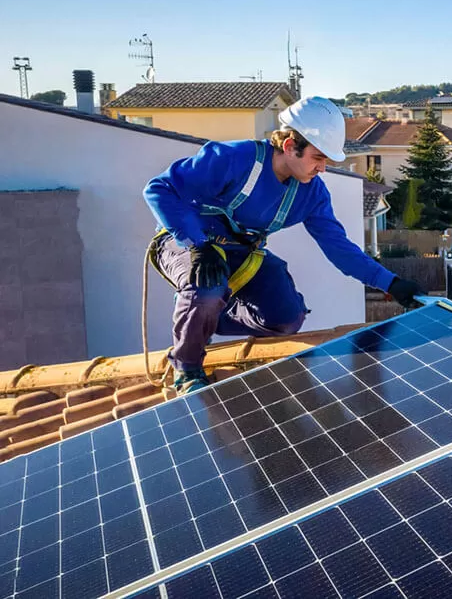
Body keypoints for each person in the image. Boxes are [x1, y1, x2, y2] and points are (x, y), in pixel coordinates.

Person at [144, 95, 423, 394]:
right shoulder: (233, 159)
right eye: (318, 157)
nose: (323, 169)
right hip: (187, 244)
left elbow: (339, 248)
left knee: (287, 318)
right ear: (290, 146)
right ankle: (187, 368)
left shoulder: (312, 194)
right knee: (207, 287)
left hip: (242, 254)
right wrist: (197, 244)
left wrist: (390, 283)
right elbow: (159, 189)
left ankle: (204, 312)